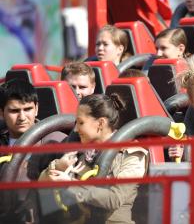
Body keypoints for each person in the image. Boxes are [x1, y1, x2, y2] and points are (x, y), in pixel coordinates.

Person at [39, 93, 149, 223]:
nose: (76, 129)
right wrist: (59, 166)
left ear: (100, 123)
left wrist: (71, 185)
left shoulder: (132, 153)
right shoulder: (80, 150)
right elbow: (42, 183)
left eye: (81, 122)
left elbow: (114, 199)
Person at [0, 79, 67, 223]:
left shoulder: (56, 141)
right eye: (14, 111)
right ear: (1, 112)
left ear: (36, 108)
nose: (22, 117)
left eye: (28, 109)